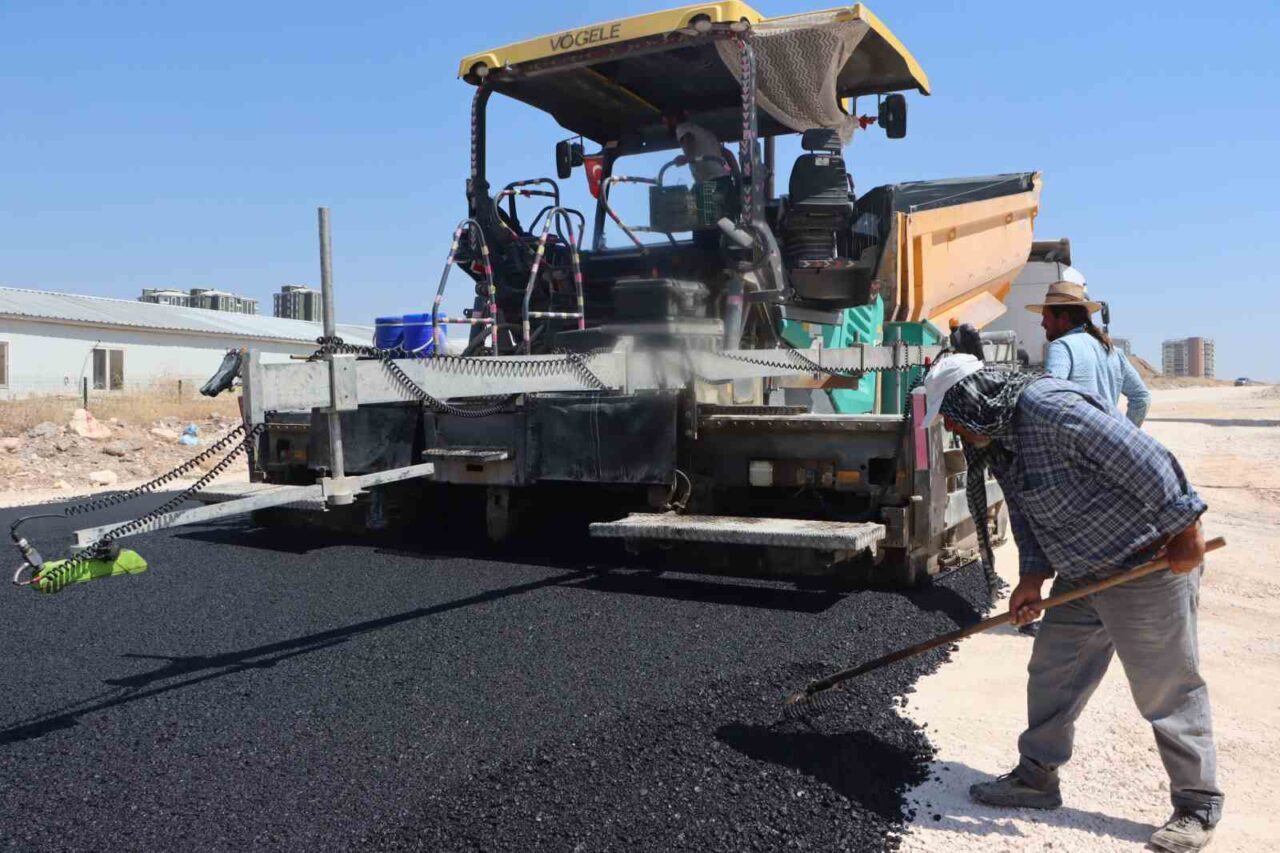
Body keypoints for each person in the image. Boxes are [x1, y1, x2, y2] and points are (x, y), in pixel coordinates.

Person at [921, 355, 1222, 853]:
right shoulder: (998, 440)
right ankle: (1037, 778)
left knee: (1165, 687)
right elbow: (1025, 511)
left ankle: (1197, 803)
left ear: (970, 400)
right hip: (1081, 573)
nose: (950, 427)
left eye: (949, 415)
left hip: (1144, 565)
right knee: (1053, 672)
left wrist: (1186, 528)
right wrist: (1031, 579)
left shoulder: (1048, 409)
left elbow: (1146, 458)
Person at [1029, 280, 1151, 426]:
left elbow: (1050, 397)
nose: (1043, 323)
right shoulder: (1113, 351)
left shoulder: (1061, 346)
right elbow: (1141, 397)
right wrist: (1125, 434)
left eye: (1045, 317)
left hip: (1075, 446)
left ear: (1063, 318)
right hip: (1108, 443)